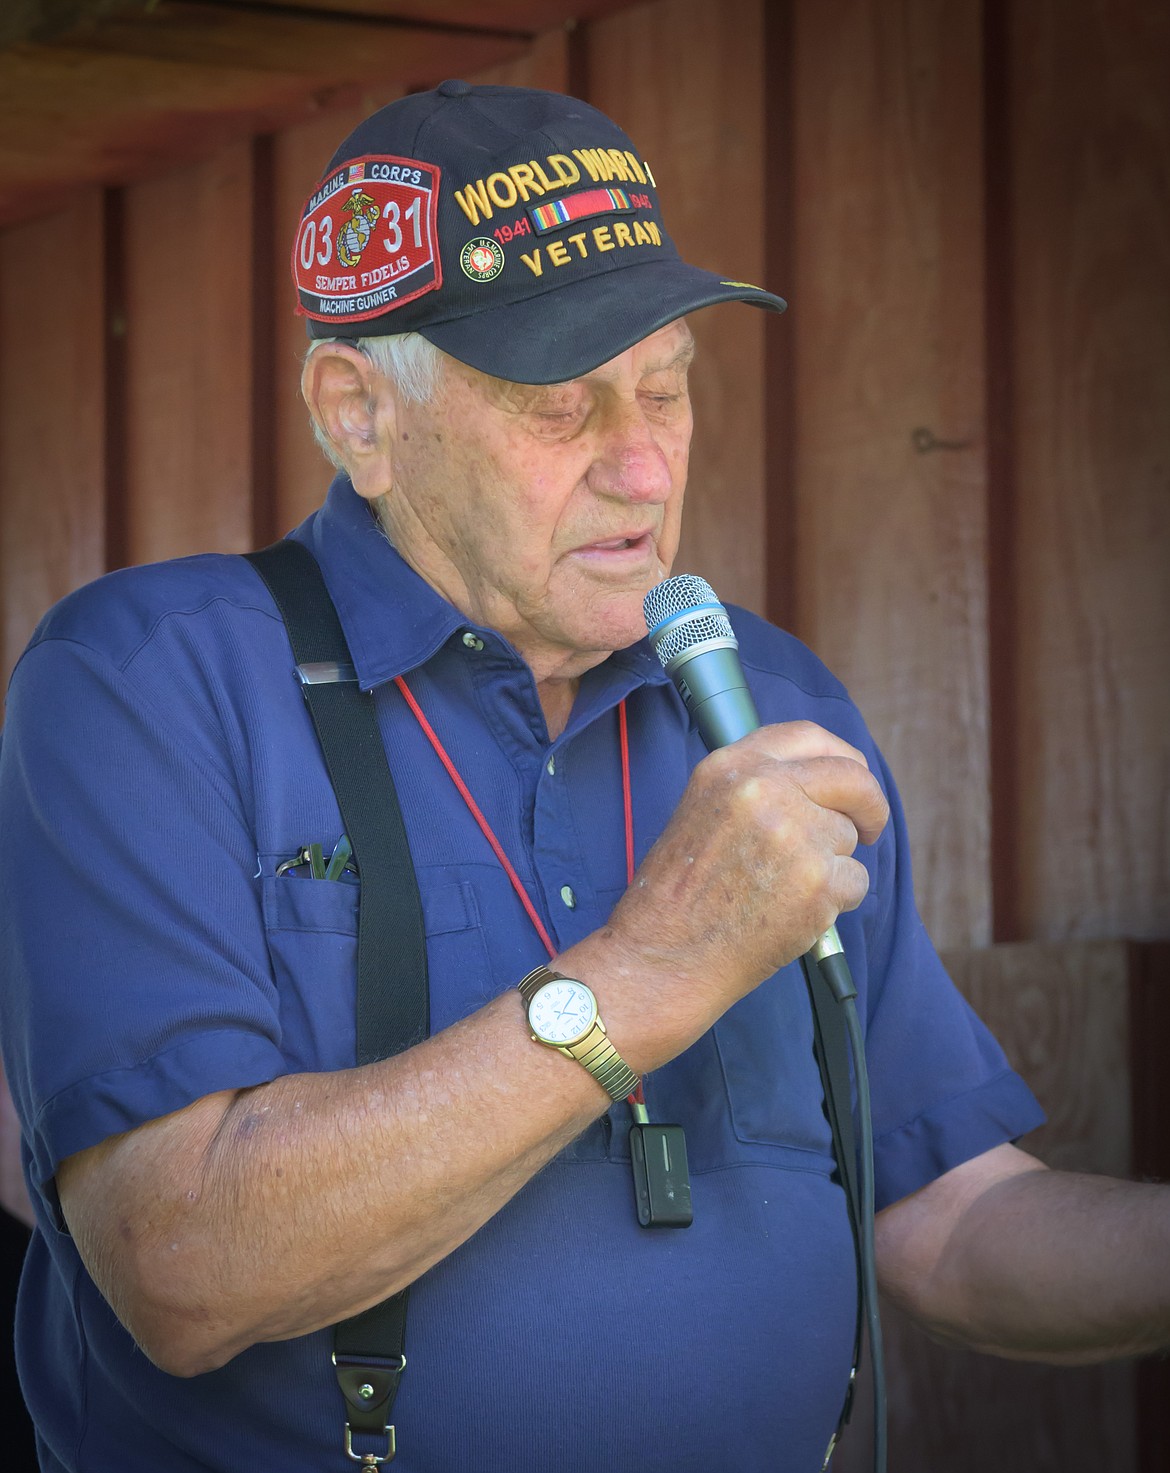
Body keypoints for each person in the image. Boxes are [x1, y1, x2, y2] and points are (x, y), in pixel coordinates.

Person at [0, 81, 1166, 1473]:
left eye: (666, 386)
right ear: (358, 414)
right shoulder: (152, 677)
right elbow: (177, 1263)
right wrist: (652, 967)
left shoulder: (770, 703)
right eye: (564, 406)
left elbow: (948, 1217)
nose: (641, 462)